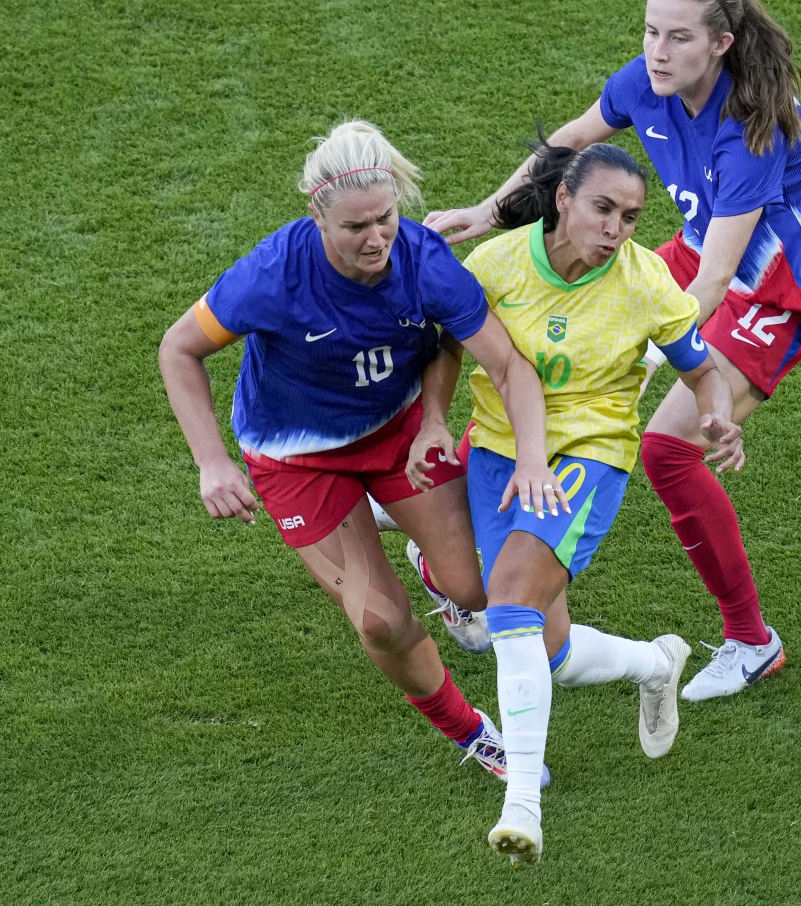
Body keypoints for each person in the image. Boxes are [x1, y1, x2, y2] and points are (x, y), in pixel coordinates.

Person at [424, 0, 801, 702]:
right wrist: (487, 212)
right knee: (543, 359)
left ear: (720, 44)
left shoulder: (753, 129)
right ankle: (471, 559)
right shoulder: (646, 83)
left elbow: (715, 280)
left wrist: (643, 356)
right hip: (701, 247)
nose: (658, 50)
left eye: (678, 38)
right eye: (651, 32)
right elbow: (569, 147)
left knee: (669, 450)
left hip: (774, 286)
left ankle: (752, 640)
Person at [158, 120, 566, 783]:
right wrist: (211, 461)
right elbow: (179, 349)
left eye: (385, 219)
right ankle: (473, 732)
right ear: (317, 216)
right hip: (297, 460)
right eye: (356, 228)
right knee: (380, 621)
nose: (377, 238)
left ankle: (438, 576)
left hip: (396, 435)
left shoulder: (423, 259)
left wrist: (461, 429)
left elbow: (505, 365)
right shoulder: (272, 275)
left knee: (476, 586)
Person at [455, 135, 743, 866]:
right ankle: (654, 663)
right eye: (603, 209)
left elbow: (702, 370)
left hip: (588, 454)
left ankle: (522, 804)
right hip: (496, 452)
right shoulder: (496, 264)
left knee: (511, 604)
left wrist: (718, 413)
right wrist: (430, 420)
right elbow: (444, 347)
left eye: (632, 216)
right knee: (542, 649)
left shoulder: (646, 284)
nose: (616, 229)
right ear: (563, 200)